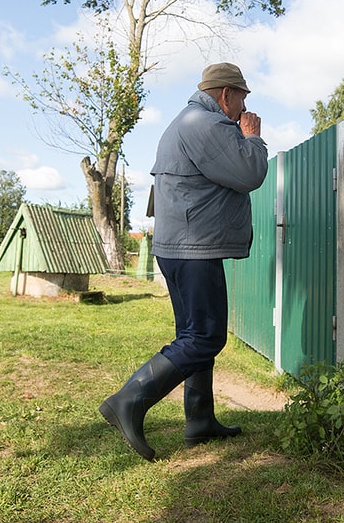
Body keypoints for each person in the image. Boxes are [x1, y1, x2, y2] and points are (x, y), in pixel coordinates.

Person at [99, 62, 268, 461]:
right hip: (195, 249)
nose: (245, 105)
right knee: (205, 337)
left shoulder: (183, 121)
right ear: (226, 94)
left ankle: (199, 420)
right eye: (242, 96)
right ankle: (129, 400)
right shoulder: (207, 124)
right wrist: (253, 139)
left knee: (192, 334)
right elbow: (250, 173)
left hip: (178, 247)